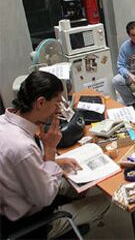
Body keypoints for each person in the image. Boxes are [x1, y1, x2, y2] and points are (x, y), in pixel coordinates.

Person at [0, 71, 110, 238]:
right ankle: (66, 228)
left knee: (72, 176)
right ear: (41, 102)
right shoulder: (23, 148)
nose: (58, 109)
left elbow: (23, 165)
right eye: (57, 102)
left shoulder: (4, 121)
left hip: (13, 200)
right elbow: (45, 198)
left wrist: (56, 161)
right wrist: (50, 149)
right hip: (31, 221)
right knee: (104, 201)